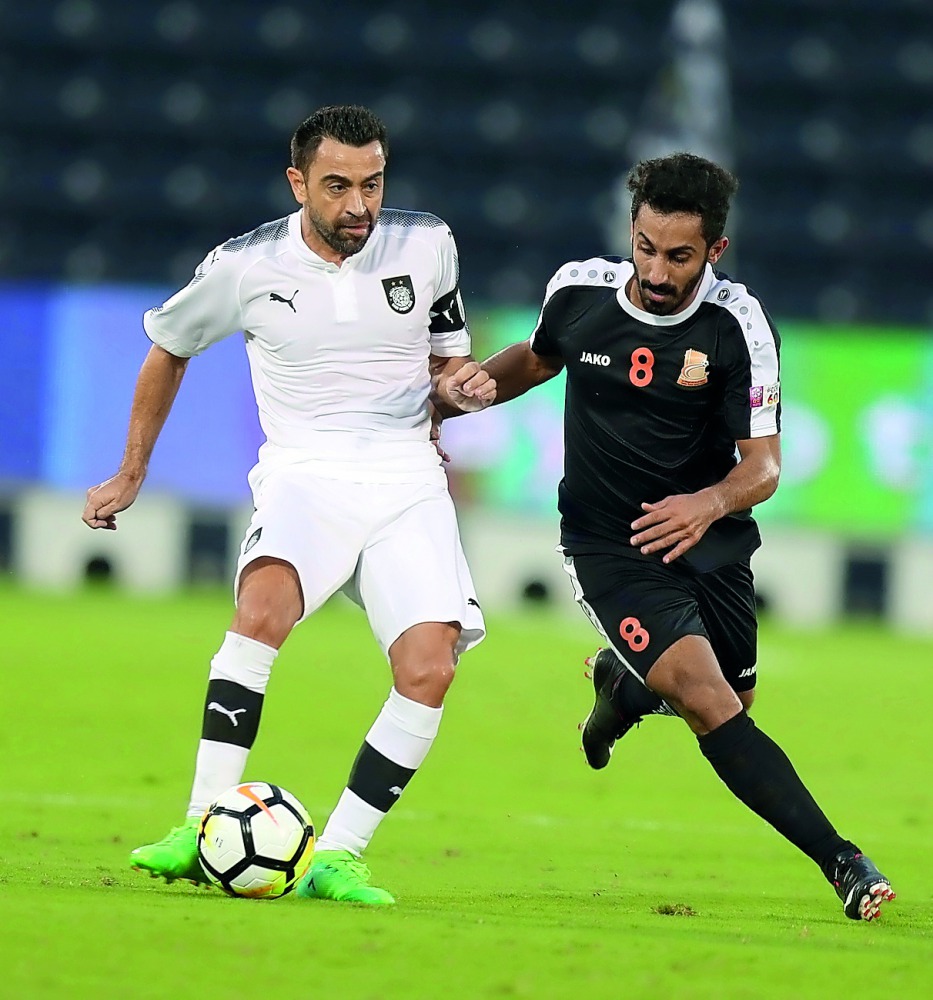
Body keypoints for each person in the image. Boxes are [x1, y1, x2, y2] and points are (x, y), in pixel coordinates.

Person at [443, 151, 894, 922]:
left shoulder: (738, 329)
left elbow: (764, 468)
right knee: (710, 699)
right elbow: (538, 358)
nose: (655, 270)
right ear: (631, 229)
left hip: (707, 537)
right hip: (608, 544)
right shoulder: (578, 290)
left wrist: (706, 504)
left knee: (734, 694)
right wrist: (475, 387)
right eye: (645, 247)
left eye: (678, 255)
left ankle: (622, 684)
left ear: (713, 251)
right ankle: (842, 862)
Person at [82, 104, 495, 906]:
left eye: (372, 184)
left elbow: (449, 357)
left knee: (430, 668)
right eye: (337, 185)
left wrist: (458, 388)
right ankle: (201, 824)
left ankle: (336, 856)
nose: (359, 206)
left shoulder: (429, 244)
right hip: (304, 470)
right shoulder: (246, 264)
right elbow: (167, 348)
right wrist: (132, 472)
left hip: (407, 476)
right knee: (260, 614)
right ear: (297, 181)